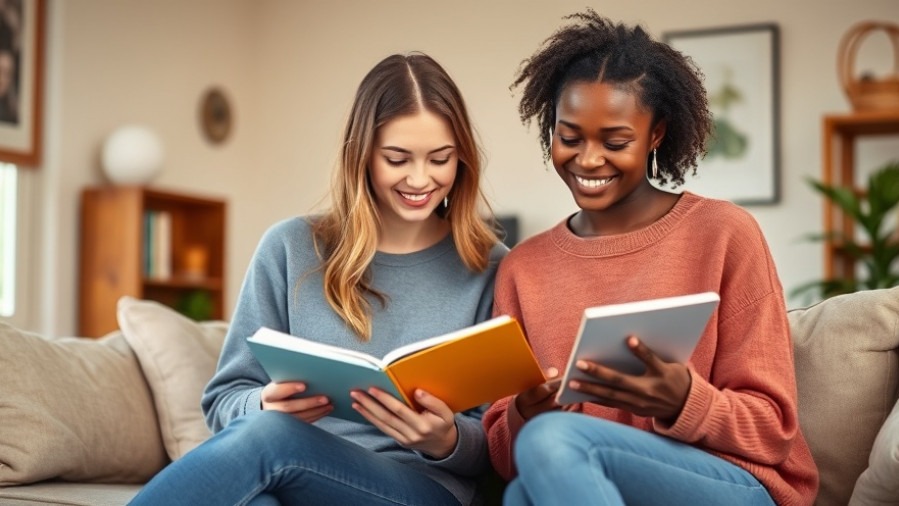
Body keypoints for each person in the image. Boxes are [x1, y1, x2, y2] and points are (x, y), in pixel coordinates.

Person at [130, 52, 506, 506]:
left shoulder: (491, 267)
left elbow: (501, 438)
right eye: (397, 158)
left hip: (420, 491)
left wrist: (446, 440)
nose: (420, 178)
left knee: (271, 438)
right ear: (362, 155)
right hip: (295, 478)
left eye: (440, 159)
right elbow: (225, 399)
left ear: (461, 157)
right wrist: (263, 405)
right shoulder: (289, 248)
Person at [482, 10, 819, 506]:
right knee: (521, 494)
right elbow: (505, 454)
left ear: (656, 134)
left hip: (731, 485)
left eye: (615, 141)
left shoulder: (724, 234)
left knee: (551, 444)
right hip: (587, 482)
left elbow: (773, 429)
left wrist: (683, 400)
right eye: (569, 137)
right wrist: (522, 416)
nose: (588, 159)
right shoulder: (522, 268)